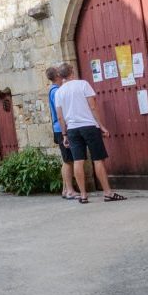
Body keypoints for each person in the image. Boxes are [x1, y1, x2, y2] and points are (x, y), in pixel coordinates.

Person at [52, 62, 125, 204]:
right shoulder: (83, 84)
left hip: (72, 129)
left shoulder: (59, 92)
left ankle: (84, 195)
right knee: (98, 159)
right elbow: (92, 106)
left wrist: (65, 134)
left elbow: (60, 116)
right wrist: (102, 126)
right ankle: (108, 193)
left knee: (78, 161)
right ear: (72, 71)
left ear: (61, 76)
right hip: (89, 126)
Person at [44, 66, 78, 200]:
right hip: (61, 128)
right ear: (58, 75)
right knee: (68, 160)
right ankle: (70, 190)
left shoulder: (55, 90)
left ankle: (65, 189)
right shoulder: (56, 91)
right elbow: (60, 113)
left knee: (66, 160)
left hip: (59, 128)